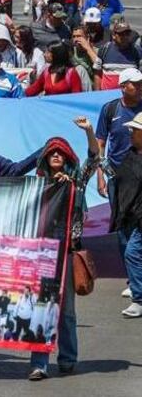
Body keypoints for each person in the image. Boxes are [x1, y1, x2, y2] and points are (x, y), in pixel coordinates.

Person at [28, 117, 97, 380]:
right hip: (43, 254)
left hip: (68, 252)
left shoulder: (76, 181)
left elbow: (93, 158)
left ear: (67, 157)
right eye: (51, 152)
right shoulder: (36, 187)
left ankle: (67, 358)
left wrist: (89, 131)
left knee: (66, 311)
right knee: (42, 308)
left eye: (60, 152)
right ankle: (39, 363)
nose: (56, 155)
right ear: (45, 158)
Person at [111, 111, 142, 319]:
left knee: (132, 252)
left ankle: (139, 300)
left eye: (135, 130)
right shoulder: (131, 153)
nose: (130, 133)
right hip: (130, 214)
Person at [95, 20, 142, 89]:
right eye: (121, 34)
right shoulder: (104, 49)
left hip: (129, 98)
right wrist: (98, 95)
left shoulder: (137, 51)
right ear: (114, 35)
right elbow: (97, 74)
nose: (125, 37)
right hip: (107, 97)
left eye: (127, 34)